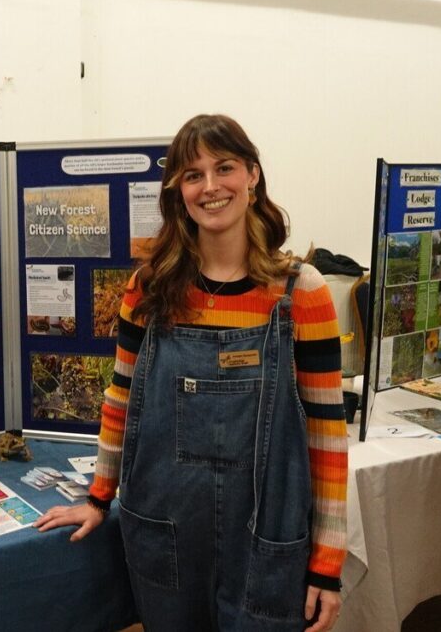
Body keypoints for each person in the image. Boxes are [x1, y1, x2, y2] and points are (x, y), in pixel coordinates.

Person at [34, 114, 347, 631]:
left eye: (223, 167)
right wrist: (97, 497)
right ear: (178, 190)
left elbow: (326, 435)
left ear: (252, 175)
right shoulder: (150, 290)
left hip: (266, 535)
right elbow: (120, 399)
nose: (210, 187)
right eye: (193, 174)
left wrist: (328, 564)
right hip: (165, 530)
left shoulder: (301, 294)